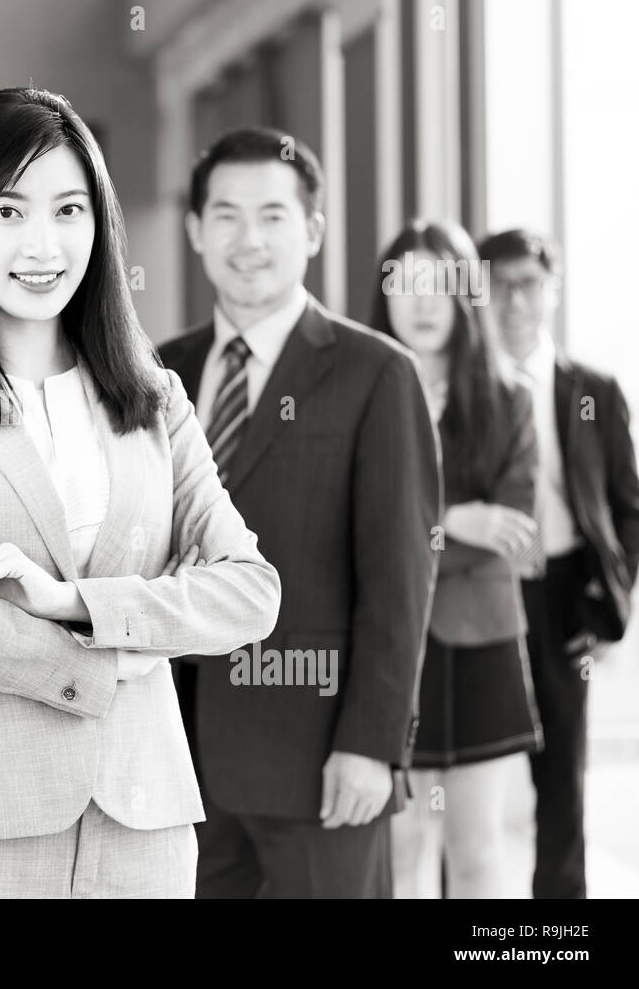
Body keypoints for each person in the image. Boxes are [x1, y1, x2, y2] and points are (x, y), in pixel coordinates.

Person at [0, 86, 281, 900]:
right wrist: (113, 662)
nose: (43, 244)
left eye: (70, 210)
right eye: (8, 212)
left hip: (140, 825)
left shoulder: (152, 397)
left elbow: (250, 591)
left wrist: (70, 601)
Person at [158, 127, 440, 898]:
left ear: (312, 230)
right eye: (226, 215)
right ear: (194, 229)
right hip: (170, 767)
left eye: (273, 216)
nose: (248, 239)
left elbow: (401, 579)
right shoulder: (154, 373)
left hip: (319, 765)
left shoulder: (377, 373)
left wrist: (373, 744)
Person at [371, 219, 543, 898]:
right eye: (405, 283)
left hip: (483, 643)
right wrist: (454, 520)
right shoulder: (361, 393)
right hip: (390, 647)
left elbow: (515, 534)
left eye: (440, 283)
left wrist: (421, 532)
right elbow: (358, 527)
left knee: (477, 850)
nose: (422, 300)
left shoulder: (507, 401)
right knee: (402, 845)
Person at [481, 228, 639, 898]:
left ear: (552, 289)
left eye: (528, 284)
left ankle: (558, 927)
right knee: (470, 769)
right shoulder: (466, 389)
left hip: (565, 591)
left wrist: (612, 604)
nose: (515, 300)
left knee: (562, 771)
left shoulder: (592, 389)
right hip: (482, 592)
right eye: (501, 284)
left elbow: (629, 504)